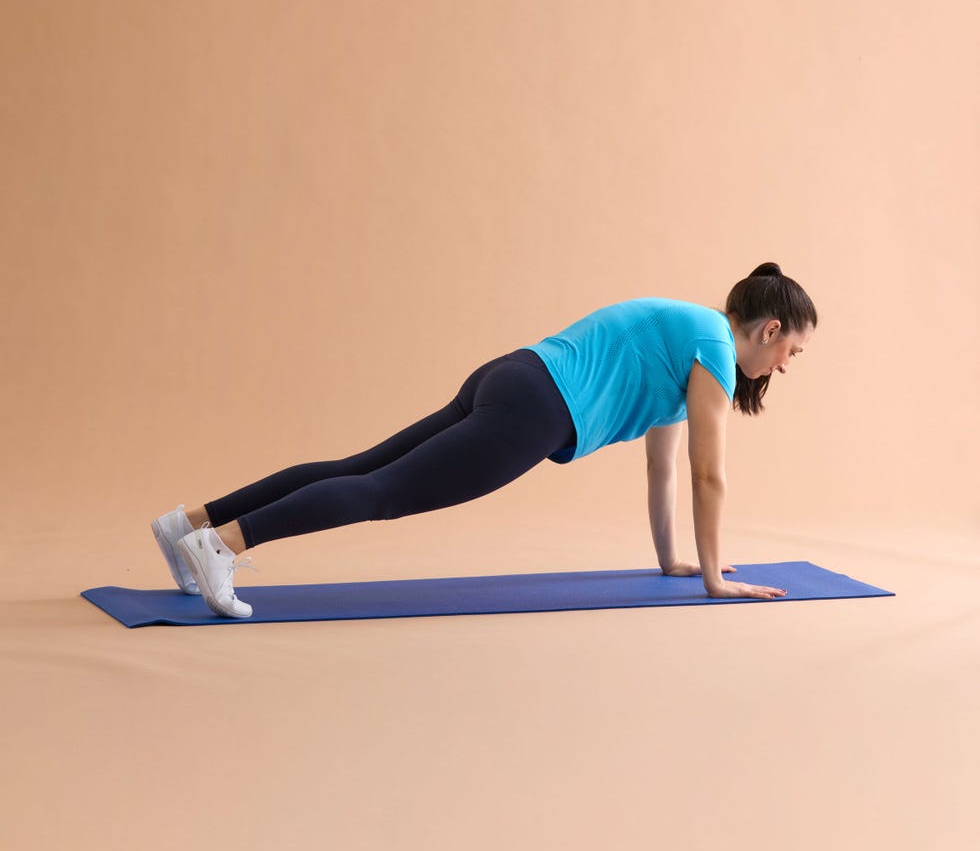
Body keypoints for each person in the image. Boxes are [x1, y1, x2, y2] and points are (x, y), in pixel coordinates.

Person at [151, 262, 816, 619]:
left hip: (514, 375)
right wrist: (712, 582)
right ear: (768, 329)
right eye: (792, 349)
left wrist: (676, 561)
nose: (785, 365)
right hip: (537, 409)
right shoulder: (712, 351)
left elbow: (665, 469)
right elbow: (710, 476)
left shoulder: (690, 344)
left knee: (361, 467)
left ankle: (187, 524)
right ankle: (222, 545)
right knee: (381, 492)